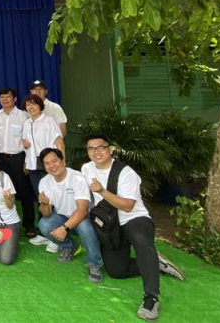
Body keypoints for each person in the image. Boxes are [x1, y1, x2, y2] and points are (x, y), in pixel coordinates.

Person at [80, 134, 186, 321]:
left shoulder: (126, 173)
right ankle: (156, 263)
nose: (96, 152)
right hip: (110, 223)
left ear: (110, 150)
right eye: (91, 148)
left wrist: (102, 192)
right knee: (117, 271)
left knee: (141, 240)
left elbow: (128, 205)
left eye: (100, 147)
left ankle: (151, 297)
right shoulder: (86, 168)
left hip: (133, 218)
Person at [36, 148, 103, 282]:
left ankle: (94, 263)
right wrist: (44, 204)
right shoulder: (44, 182)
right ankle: (71, 247)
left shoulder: (77, 178)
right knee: (44, 224)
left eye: (54, 161)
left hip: (83, 217)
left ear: (63, 161)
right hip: (62, 216)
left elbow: (82, 210)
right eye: (47, 163)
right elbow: (47, 213)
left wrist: (64, 228)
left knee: (83, 226)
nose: (52, 166)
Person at [0, 88, 36, 238]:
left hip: (18, 159)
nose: (4, 99)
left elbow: (29, 141)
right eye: (2, 97)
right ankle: (2, 221)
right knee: (1, 191)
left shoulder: (24, 116)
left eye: (7, 97)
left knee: (24, 192)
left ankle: (29, 224)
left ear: (15, 99)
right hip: (0, 159)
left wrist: (27, 161)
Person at [22, 94, 65, 250]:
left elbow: (59, 143)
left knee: (53, 199)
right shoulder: (27, 123)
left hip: (49, 166)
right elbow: (27, 144)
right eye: (28, 105)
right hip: (34, 166)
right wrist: (26, 160)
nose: (31, 107)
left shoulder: (49, 121)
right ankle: (43, 232)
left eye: (34, 104)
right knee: (42, 200)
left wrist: (61, 164)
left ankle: (56, 236)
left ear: (40, 105)